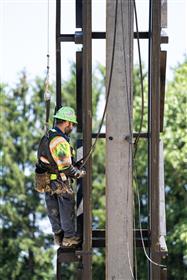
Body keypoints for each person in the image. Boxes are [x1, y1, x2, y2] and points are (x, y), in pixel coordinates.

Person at [35, 106, 86, 247]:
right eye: (72, 124)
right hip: (60, 182)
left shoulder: (47, 136)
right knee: (66, 208)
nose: (72, 127)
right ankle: (69, 238)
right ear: (67, 123)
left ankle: (58, 236)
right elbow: (65, 167)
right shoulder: (60, 141)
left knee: (53, 210)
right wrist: (79, 173)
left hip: (47, 181)